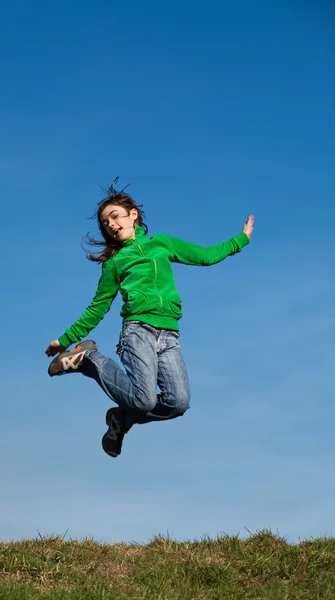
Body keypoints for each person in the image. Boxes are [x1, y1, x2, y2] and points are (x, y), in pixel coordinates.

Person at [45, 178, 254, 458]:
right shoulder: (115, 262)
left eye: (114, 216)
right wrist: (67, 339)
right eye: (105, 223)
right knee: (144, 400)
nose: (110, 225)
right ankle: (88, 360)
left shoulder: (161, 244)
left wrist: (240, 240)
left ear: (134, 215)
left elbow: (204, 256)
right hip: (137, 332)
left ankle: (122, 418)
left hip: (169, 336)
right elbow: (98, 306)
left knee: (177, 403)